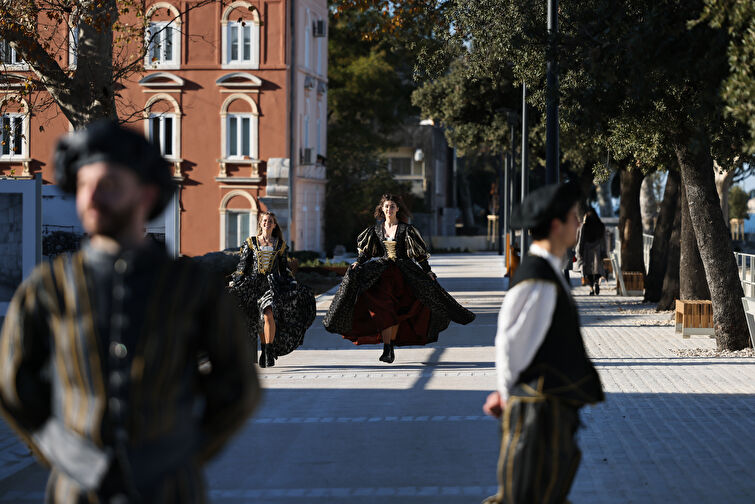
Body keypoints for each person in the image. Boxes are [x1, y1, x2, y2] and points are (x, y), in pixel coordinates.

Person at [0, 121, 260, 503]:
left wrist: (181, 451)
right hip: (76, 492)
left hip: (171, 490)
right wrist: (76, 459)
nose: (92, 199)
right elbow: (16, 387)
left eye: (108, 185)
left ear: (146, 194)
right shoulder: (48, 288)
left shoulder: (192, 288)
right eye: (85, 186)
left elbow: (237, 383)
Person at [482, 183, 604, 504]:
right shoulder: (538, 279)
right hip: (537, 414)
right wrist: (508, 398)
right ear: (555, 225)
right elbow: (511, 345)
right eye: (573, 218)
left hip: (548, 412)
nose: (579, 224)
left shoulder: (548, 273)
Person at [323, 193, 475, 363]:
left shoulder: (407, 230)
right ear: (382, 209)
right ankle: (388, 347)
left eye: (392, 206)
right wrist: (358, 263)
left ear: (398, 209)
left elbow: (419, 255)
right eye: (386, 206)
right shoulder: (375, 230)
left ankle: (390, 345)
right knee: (383, 310)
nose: (389, 209)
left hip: (404, 275)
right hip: (381, 275)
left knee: (399, 311)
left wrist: (428, 271)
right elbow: (366, 252)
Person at [228, 211, 316, 367]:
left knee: (268, 314)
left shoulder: (280, 245)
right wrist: (236, 281)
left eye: (270, 221)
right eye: (264, 220)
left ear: (274, 225)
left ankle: (269, 352)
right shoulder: (251, 242)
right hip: (253, 285)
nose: (266, 223)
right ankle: (263, 349)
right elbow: (243, 266)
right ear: (260, 223)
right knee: (258, 319)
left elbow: (283, 269)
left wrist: (291, 282)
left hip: (272, 284)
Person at [576, 208, 608, 295]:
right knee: (597, 270)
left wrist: (579, 251)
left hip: (587, 250)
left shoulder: (584, 226)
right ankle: (597, 283)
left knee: (588, 271)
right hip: (597, 250)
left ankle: (591, 289)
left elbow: (581, 240)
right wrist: (604, 252)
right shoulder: (600, 225)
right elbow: (603, 240)